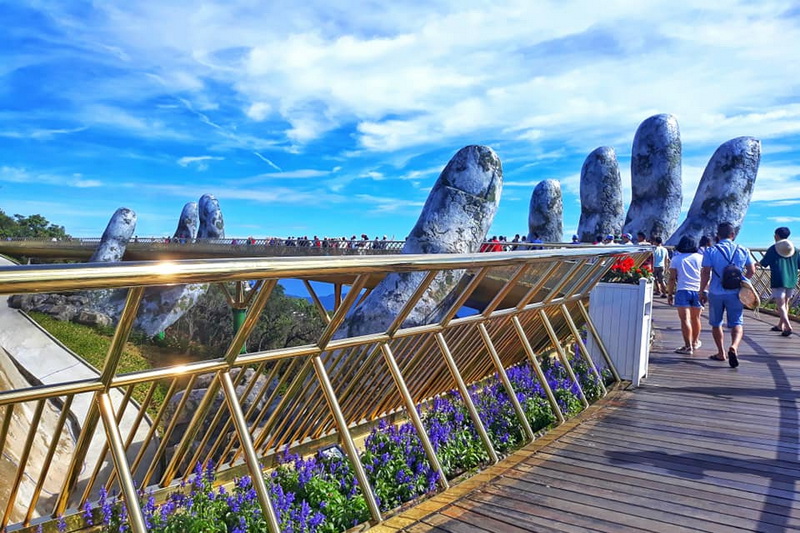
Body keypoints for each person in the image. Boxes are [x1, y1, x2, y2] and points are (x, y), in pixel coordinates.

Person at [699, 222, 756, 367]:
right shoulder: (743, 249)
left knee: (716, 323)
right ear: (733, 235)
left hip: (716, 292)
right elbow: (752, 270)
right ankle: (734, 347)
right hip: (736, 293)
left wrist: (702, 290)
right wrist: (744, 282)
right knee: (737, 322)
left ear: (718, 235)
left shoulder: (710, 251)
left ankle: (721, 353)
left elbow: (706, 272)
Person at [759, 226, 800, 336]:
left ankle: (787, 326)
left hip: (778, 279)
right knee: (785, 303)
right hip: (791, 279)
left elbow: (763, 263)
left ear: (777, 236)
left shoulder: (774, 249)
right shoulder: (795, 250)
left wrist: (754, 265)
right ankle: (780, 325)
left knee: (780, 305)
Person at [667, 236, 704, 354]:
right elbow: (706, 275)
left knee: (685, 319)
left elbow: (672, 278)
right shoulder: (701, 258)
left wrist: (669, 294)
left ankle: (688, 346)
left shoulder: (676, 259)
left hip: (682, 290)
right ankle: (695, 342)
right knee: (696, 318)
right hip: (698, 290)